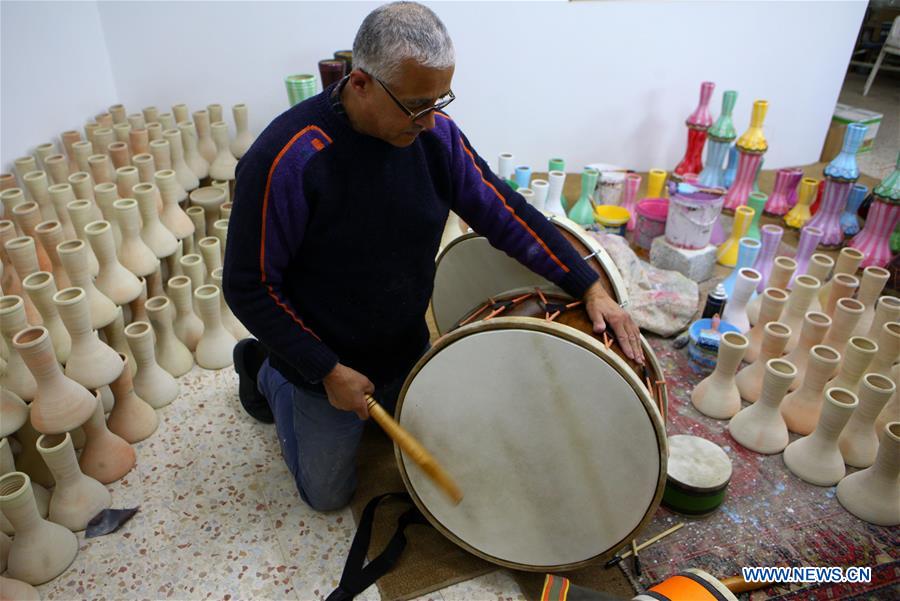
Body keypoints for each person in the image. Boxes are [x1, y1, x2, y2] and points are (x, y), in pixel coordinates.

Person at [222, 1, 644, 512]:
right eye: (416, 105)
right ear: (361, 83)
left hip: (404, 346)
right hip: (326, 356)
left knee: (463, 451)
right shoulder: (288, 158)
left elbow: (505, 211)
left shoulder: (436, 137)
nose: (429, 121)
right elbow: (248, 285)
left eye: (439, 100)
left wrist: (588, 284)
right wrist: (324, 370)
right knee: (328, 497)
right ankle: (265, 369)